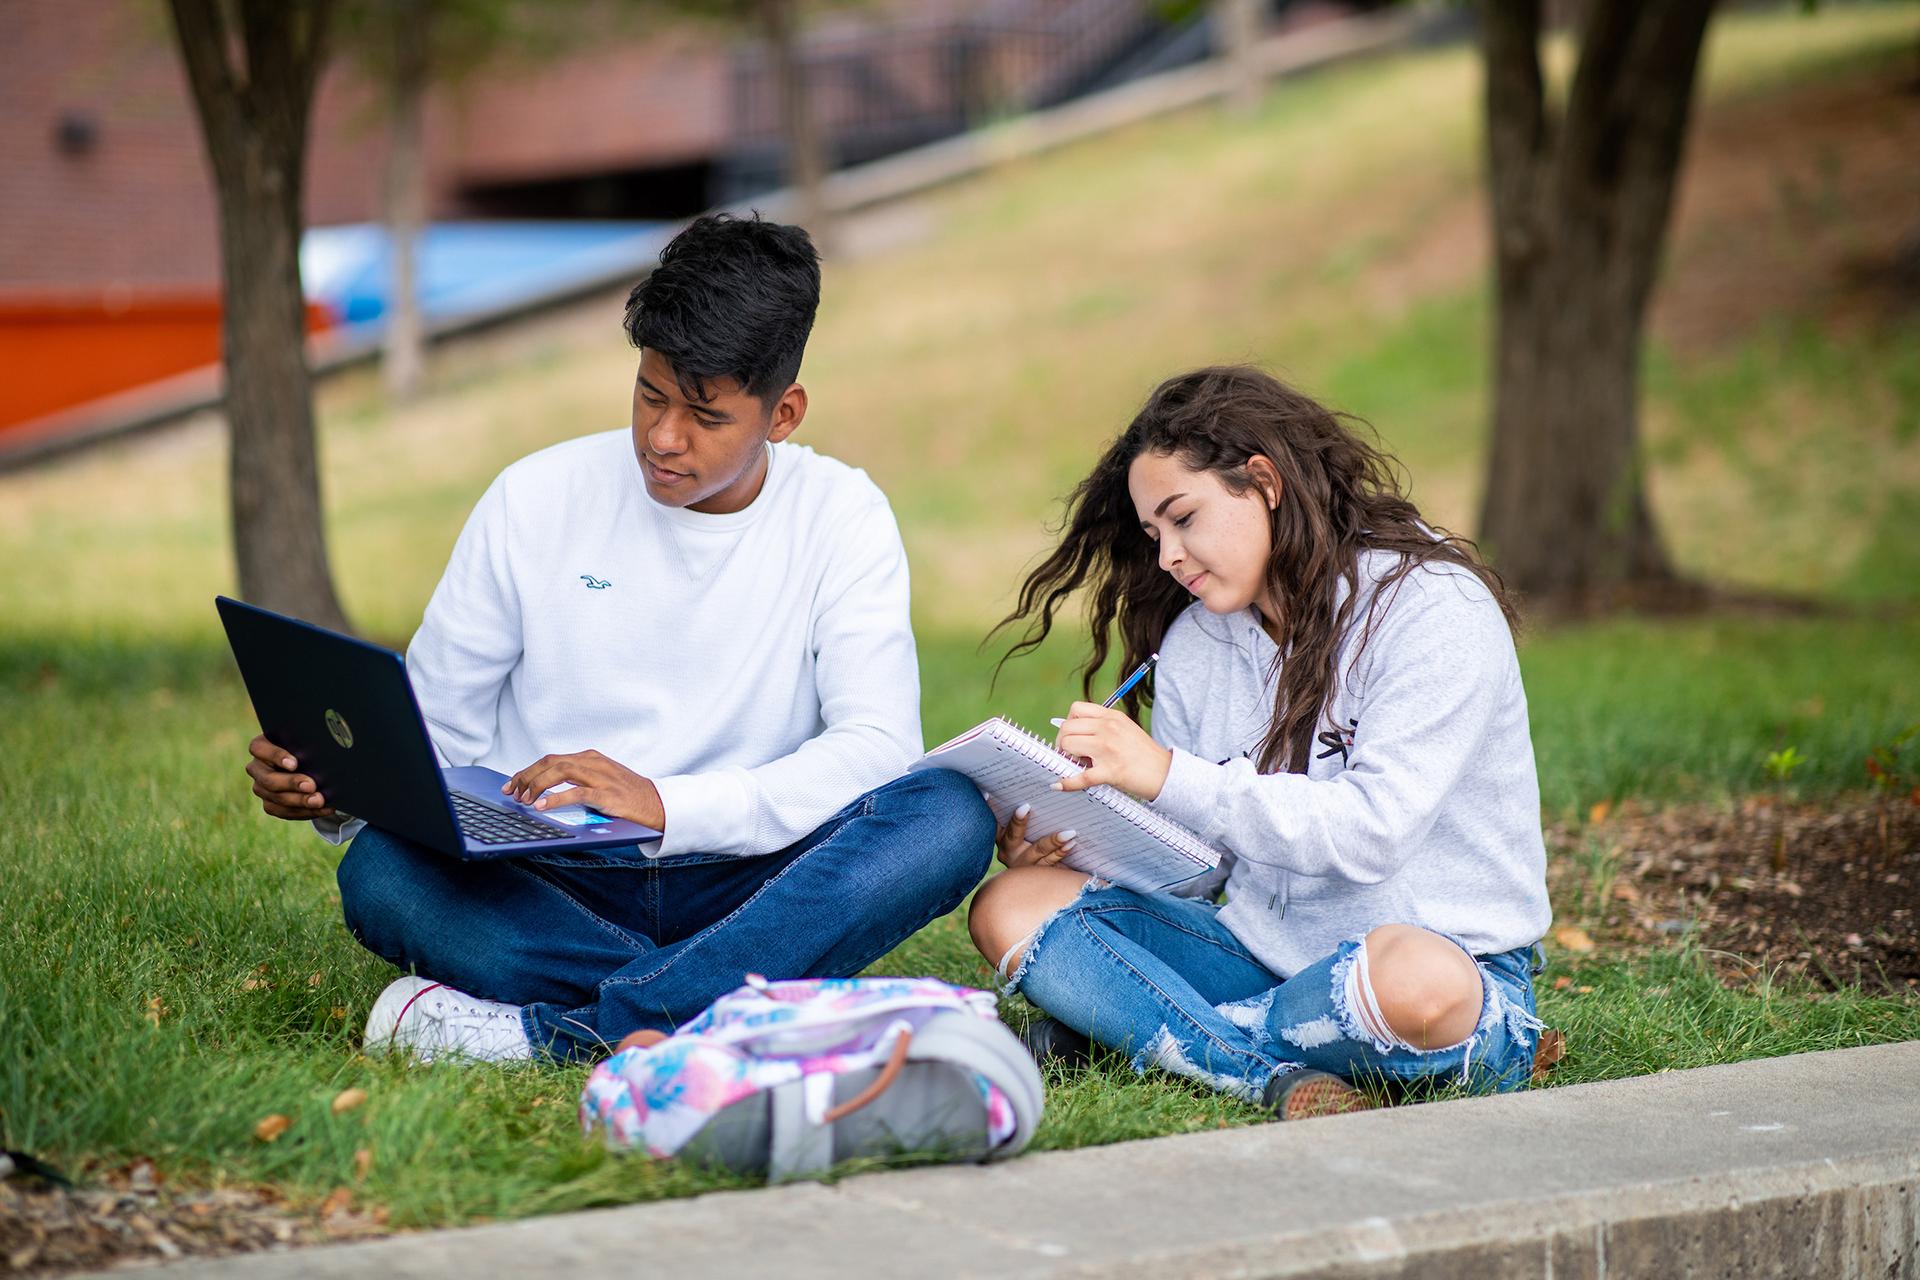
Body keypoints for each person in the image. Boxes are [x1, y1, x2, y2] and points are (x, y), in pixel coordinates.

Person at [243, 214, 994, 1064]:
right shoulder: (535, 497)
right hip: (548, 878)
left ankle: (564, 1034)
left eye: (705, 415)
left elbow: (876, 746)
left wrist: (669, 805)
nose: (663, 437)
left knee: (947, 816)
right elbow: (435, 738)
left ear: (783, 414)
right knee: (381, 870)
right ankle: (743, 1006)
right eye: (650, 394)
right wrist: (339, 790)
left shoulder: (842, 516)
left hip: (751, 875)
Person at [966, 366, 1553, 1119]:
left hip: (1431, 969)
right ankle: (1252, 1068)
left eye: (1184, 518)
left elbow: (1374, 833)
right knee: (1011, 904)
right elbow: (1205, 870)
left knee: (1416, 982)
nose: (1169, 556)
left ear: (1265, 482)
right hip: (1252, 957)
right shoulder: (1195, 642)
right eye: (1153, 536)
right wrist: (1078, 839)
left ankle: (1153, 1032)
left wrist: (1168, 772)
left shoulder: (1431, 609)